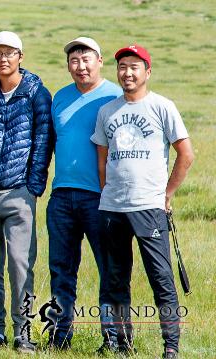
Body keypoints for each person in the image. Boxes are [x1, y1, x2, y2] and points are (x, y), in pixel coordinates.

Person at [93, 44, 193, 359]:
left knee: (161, 278)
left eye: (134, 66)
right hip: (112, 209)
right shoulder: (107, 111)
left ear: (147, 71)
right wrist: (109, 193)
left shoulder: (162, 107)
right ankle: (121, 345)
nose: (127, 72)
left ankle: (171, 347)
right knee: (114, 280)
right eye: (123, 66)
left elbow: (186, 154)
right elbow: (102, 162)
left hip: (149, 209)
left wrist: (166, 195)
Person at [0, 31, 52, 354]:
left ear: (21, 56)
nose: (3, 59)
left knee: (20, 265)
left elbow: (44, 141)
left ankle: (24, 331)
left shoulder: (36, 94)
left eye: (10, 53)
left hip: (19, 194)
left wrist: (33, 186)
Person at [45, 37, 121, 349]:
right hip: (62, 196)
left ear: (100, 61)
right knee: (61, 272)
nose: (80, 66)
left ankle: (114, 339)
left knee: (109, 270)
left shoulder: (116, 96)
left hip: (100, 198)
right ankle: (59, 337)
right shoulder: (60, 97)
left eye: (86, 59)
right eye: (74, 60)